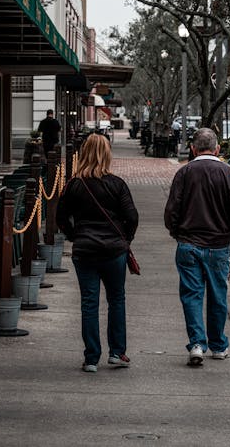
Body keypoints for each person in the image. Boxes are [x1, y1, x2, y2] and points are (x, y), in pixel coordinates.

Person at [57, 133, 139, 373]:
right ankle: (117, 352)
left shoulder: (74, 184)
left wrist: (75, 235)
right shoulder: (117, 184)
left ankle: (91, 357)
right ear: (107, 154)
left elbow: (61, 218)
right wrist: (125, 238)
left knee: (89, 303)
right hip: (114, 251)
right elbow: (132, 217)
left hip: (85, 250)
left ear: (84, 153)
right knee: (116, 299)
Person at [164, 127, 230, 366]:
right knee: (218, 296)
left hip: (189, 243)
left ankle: (197, 343)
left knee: (192, 295)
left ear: (192, 148)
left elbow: (172, 210)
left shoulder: (185, 173)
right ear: (217, 148)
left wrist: (176, 231)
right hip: (218, 244)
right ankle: (218, 345)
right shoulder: (229, 174)